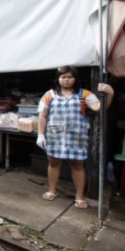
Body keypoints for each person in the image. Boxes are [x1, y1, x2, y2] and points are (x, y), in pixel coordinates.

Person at [36, 66, 114, 209]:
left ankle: (80, 196)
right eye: (63, 77)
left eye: (69, 77)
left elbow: (99, 108)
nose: (66, 80)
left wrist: (110, 94)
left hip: (76, 137)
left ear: (75, 79)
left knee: (77, 165)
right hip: (55, 136)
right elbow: (43, 116)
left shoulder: (84, 94)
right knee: (53, 163)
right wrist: (40, 134)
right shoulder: (49, 95)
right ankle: (52, 190)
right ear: (58, 79)